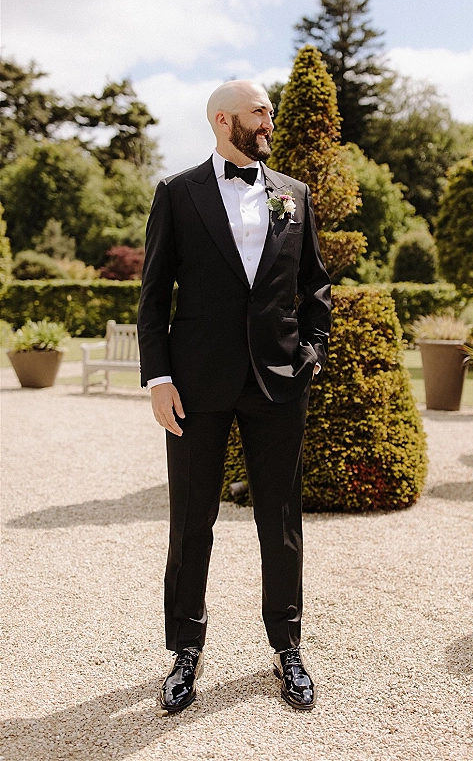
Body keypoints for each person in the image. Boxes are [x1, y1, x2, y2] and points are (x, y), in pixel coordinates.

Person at [137, 80, 331, 713]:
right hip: (196, 387)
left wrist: (312, 355)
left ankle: (288, 647)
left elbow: (315, 289)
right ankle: (184, 653)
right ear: (223, 120)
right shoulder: (177, 193)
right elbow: (153, 296)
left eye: (268, 110)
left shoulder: (294, 195)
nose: (268, 119)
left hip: (278, 385)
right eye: (258, 111)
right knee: (192, 523)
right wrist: (158, 378)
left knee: (280, 521)